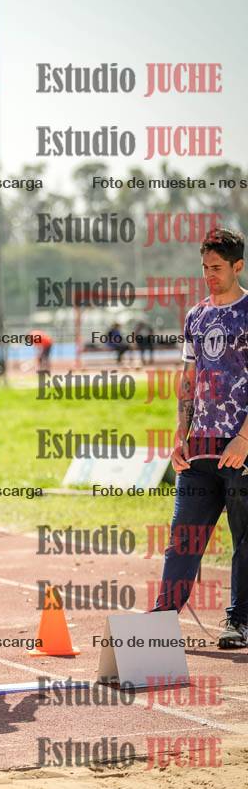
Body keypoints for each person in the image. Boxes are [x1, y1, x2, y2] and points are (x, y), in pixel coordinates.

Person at [151, 227, 248, 648]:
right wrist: (181, 432)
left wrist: (244, 438)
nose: (209, 274)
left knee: (244, 541)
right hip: (200, 449)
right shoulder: (196, 315)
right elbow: (189, 377)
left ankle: (239, 621)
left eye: (217, 267)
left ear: (237, 266)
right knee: (182, 539)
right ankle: (160, 620)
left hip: (241, 449)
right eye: (205, 267)